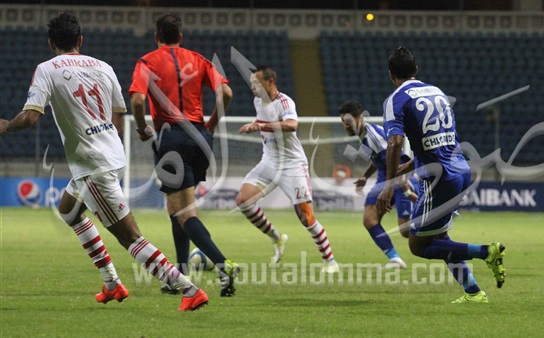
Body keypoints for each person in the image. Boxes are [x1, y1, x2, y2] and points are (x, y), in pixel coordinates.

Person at [0, 12, 207, 311]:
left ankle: (188, 289)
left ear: (51, 43)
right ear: (80, 40)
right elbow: (118, 115)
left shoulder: (46, 69)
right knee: (69, 211)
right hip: (111, 154)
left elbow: (31, 117)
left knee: (130, 237)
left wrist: (7, 126)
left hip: (94, 164)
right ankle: (111, 283)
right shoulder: (104, 66)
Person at [376, 47, 506, 303]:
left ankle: (486, 252)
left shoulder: (396, 99)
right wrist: (409, 167)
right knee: (439, 237)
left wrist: (388, 185)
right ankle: (473, 292)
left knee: (417, 245)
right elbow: (443, 140)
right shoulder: (438, 93)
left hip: (439, 179)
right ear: (416, 70)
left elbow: (394, 142)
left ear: (392, 75)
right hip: (460, 170)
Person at [128, 14, 238, 297]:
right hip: (200, 137)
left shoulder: (147, 62)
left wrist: (142, 128)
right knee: (177, 209)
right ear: (181, 36)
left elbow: (138, 99)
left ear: (156, 37)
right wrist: (211, 124)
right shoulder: (200, 60)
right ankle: (180, 274)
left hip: (172, 138)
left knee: (184, 212)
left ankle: (222, 264)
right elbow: (225, 93)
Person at [236, 65, 339, 273]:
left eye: (257, 83)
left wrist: (259, 126)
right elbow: (262, 120)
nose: (253, 87)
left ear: (270, 82)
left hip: (292, 164)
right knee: (243, 201)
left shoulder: (285, 102)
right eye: (252, 83)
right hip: (269, 161)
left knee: (306, 217)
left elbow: (292, 125)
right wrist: (253, 124)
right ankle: (277, 238)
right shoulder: (258, 101)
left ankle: (331, 262)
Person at [339, 100, 418, 269]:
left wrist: (402, 181)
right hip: (385, 178)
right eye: (343, 122)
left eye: (348, 122)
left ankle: (439, 236)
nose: (345, 126)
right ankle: (394, 258)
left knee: (405, 231)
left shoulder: (374, 136)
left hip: (399, 177)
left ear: (360, 118)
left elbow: (394, 158)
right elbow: (376, 159)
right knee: (370, 219)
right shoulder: (363, 136)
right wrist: (365, 176)